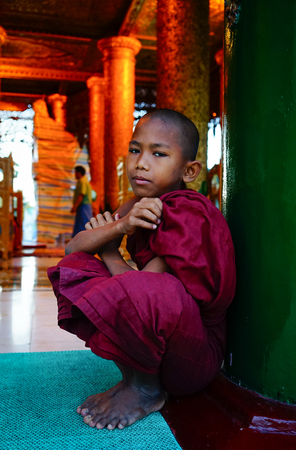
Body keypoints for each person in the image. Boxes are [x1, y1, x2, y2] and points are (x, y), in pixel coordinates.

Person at [48, 109, 236, 431]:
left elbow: (146, 290)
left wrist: (109, 251)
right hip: (163, 341)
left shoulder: (187, 214)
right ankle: (132, 379)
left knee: (145, 291)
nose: (141, 163)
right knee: (75, 268)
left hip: (194, 358)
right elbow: (72, 251)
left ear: (189, 171)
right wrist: (122, 224)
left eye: (158, 153)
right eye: (135, 149)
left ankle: (147, 390)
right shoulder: (134, 204)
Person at [71, 165, 92, 237]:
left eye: (75, 172)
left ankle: (85, 240)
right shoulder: (81, 182)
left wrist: (75, 206)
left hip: (84, 206)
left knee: (84, 223)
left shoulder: (83, 182)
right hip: (82, 206)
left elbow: (81, 195)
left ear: (79, 173)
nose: (75, 174)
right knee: (80, 224)